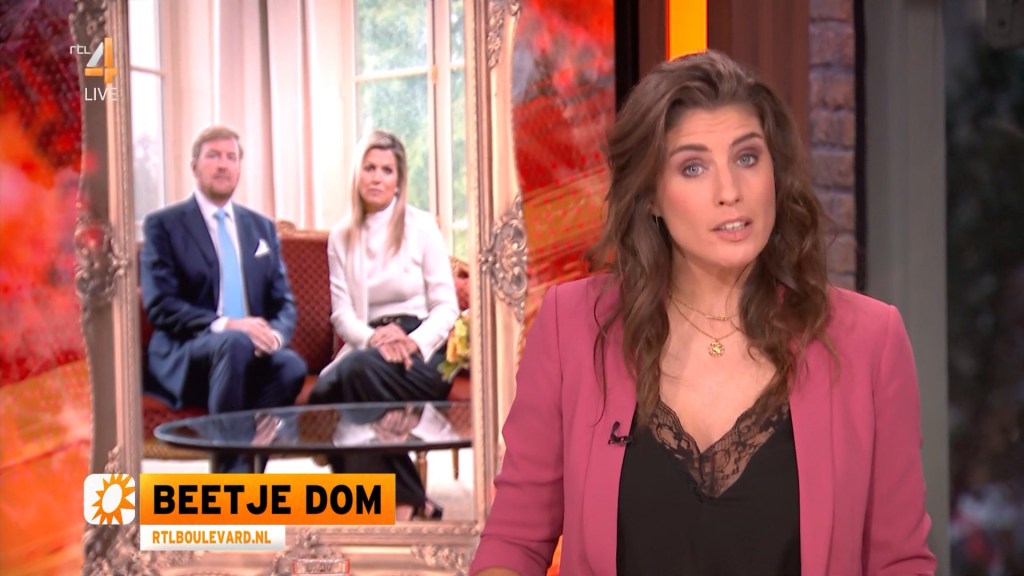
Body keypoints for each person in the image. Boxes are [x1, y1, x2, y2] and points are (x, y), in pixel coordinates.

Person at [470, 51, 936, 575]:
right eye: (693, 167)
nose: (730, 192)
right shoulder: (572, 328)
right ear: (651, 196)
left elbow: (899, 562)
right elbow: (514, 543)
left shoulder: (868, 340)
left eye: (747, 158)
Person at [308, 129, 459, 521]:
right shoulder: (341, 236)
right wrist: (374, 338)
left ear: (398, 180)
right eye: (369, 168)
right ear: (357, 175)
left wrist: (411, 341)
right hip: (367, 344)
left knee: (350, 380)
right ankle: (410, 496)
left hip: (423, 350)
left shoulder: (421, 226)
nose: (376, 177)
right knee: (326, 392)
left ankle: (398, 504)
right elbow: (342, 314)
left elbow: (446, 307)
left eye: (386, 170)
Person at [140, 125, 307, 473]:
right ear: (194, 166)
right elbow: (160, 304)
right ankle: (230, 476)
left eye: (231, 157)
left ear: (239, 168)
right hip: (187, 353)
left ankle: (248, 467)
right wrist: (228, 325)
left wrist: (274, 337)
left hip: (246, 353)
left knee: (290, 365)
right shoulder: (164, 225)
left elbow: (284, 303)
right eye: (213, 156)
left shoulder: (260, 227)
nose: (223, 165)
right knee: (234, 343)